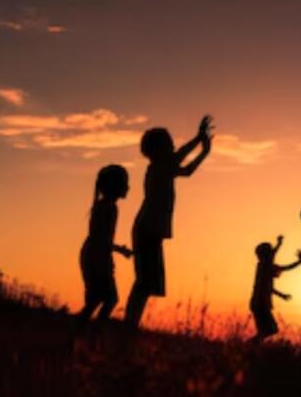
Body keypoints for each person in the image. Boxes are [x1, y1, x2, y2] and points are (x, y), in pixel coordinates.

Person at [125, 116, 213, 326]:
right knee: (144, 282)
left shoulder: (163, 167)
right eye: (169, 143)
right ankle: (128, 324)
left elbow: (187, 170)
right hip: (147, 228)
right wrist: (198, 139)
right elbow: (180, 156)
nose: (173, 146)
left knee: (146, 282)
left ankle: (130, 323)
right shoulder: (159, 167)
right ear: (158, 149)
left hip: (150, 229)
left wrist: (203, 151)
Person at [78, 164, 132, 322]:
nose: (128, 187)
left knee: (97, 301)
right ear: (115, 186)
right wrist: (119, 251)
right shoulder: (109, 208)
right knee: (108, 299)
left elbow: (101, 239)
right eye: (124, 183)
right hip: (97, 258)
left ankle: (81, 338)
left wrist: (118, 250)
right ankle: (89, 336)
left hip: (93, 255)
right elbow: (101, 240)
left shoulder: (104, 206)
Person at [249, 235, 301, 343]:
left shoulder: (263, 265)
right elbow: (286, 267)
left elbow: (269, 288)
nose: (272, 254)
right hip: (260, 304)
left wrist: (279, 244)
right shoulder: (266, 266)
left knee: (266, 330)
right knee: (270, 330)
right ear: (266, 255)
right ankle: (248, 346)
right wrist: (299, 261)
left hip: (258, 303)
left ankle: (252, 347)